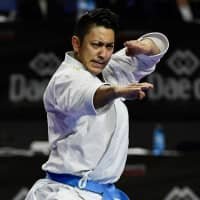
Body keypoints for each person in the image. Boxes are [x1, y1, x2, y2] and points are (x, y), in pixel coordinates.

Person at [25, 8, 169, 200]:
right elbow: (92, 95)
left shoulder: (105, 70)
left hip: (102, 193)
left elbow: (155, 47)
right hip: (65, 193)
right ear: (77, 43)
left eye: (109, 46)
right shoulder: (65, 79)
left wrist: (147, 47)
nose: (103, 53)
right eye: (96, 45)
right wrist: (117, 91)